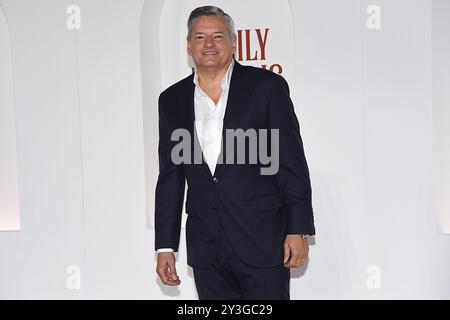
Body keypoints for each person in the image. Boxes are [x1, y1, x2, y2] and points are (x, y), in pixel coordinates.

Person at [155, 5, 315, 300]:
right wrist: (165, 246)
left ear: (233, 42)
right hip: (206, 247)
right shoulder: (171, 100)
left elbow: (290, 162)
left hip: (264, 240)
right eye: (200, 37)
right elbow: (171, 177)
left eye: (217, 36)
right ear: (189, 45)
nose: (209, 44)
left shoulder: (267, 87)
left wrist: (298, 228)